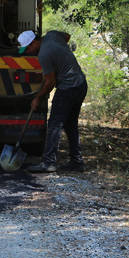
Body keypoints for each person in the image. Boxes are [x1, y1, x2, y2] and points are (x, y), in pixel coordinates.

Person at [17, 29, 88, 173]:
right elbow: (67, 36)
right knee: (70, 124)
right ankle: (77, 161)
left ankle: (48, 163)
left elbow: (50, 82)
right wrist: (61, 55)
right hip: (81, 84)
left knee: (55, 124)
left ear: (34, 42)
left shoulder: (44, 54)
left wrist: (38, 98)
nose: (29, 51)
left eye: (29, 48)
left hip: (68, 88)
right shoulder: (52, 35)